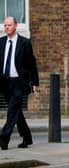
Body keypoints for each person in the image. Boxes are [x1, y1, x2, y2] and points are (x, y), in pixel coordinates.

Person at [0, 16, 39, 150]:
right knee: (17, 112)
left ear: (15, 26)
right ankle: (27, 137)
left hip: (19, 82)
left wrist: (34, 82)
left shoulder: (24, 43)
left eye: (9, 25)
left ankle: (4, 137)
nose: (7, 28)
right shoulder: (1, 42)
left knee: (12, 110)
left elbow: (31, 64)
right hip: (5, 82)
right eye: (5, 25)